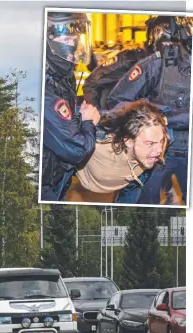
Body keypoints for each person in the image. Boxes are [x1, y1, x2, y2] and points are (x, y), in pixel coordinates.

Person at [107, 16, 191, 205]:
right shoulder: (163, 61)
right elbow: (119, 100)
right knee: (140, 212)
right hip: (158, 153)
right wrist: (153, 116)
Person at [41, 12, 100, 201]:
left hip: (58, 174)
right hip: (44, 184)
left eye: (75, 37)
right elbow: (77, 149)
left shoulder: (63, 73)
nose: (73, 44)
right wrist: (88, 122)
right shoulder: (46, 86)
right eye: (66, 37)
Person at [73, 100, 168, 198]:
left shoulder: (159, 136)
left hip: (131, 181)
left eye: (160, 141)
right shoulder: (99, 142)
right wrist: (86, 122)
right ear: (129, 142)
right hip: (88, 175)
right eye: (150, 143)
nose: (159, 150)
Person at [83, 16, 174, 110]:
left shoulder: (174, 68)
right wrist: (95, 115)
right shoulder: (130, 60)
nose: (171, 49)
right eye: (167, 43)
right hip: (114, 116)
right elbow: (92, 81)